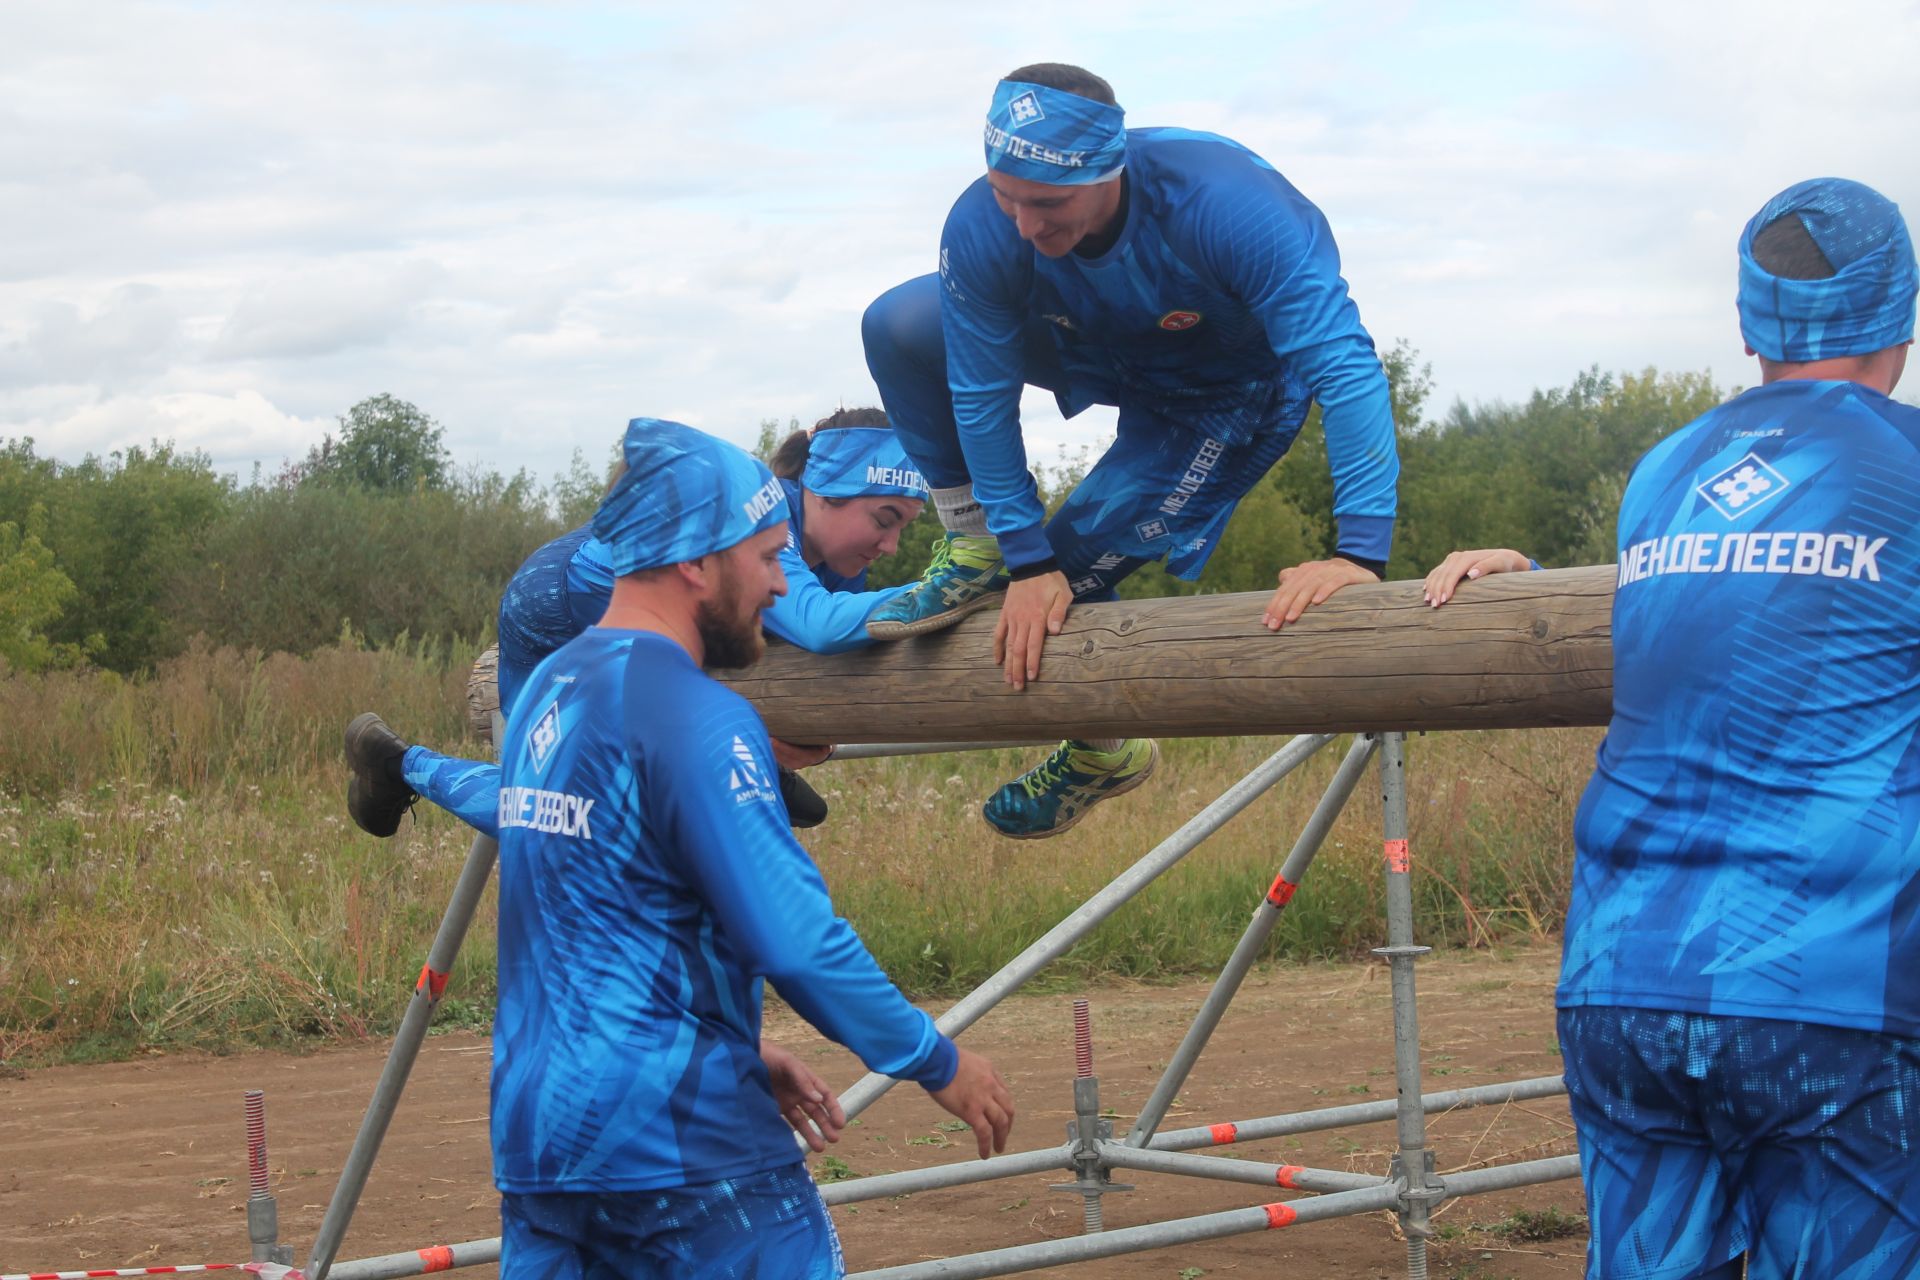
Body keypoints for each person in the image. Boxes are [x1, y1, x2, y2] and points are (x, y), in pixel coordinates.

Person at [1433, 178, 1920, 1278]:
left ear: (1751, 322)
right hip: (1828, 989)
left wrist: (1534, 592)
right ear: (1902, 313)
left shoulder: (1666, 475)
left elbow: (1729, 624)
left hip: (1622, 979)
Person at [490, 416, 1013, 1279]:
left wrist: (737, 1042)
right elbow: (795, 938)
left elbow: (588, 907)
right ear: (697, 562)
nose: (779, 586)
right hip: (685, 1149)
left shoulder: (553, 684)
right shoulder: (698, 715)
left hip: (543, 1144)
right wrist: (936, 1060)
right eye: (768, 559)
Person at [860, 62, 1400, 838]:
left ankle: (1103, 752)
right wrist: (1017, 554)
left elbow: (1346, 370)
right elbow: (980, 395)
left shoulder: (1228, 207)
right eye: (1006, 195)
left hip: (1221, 397)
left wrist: (1361, 556)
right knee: (899, 325)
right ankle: (971, 547)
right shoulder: (988, 222)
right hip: (1095, 344)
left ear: (1109, 169)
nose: (1025, 227)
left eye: (1048, 204)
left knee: (1063, 580)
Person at [343, 408, 927, 841]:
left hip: (655, 638)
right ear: (822, 491)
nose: (893, 545)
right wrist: (964, 586)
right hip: (560, 606)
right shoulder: (764, 512)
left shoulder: (839, 562)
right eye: (884, 519)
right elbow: (819, 627)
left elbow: (791, 648)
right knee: (560, 816)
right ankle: (399, 763)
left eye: (904, 526)